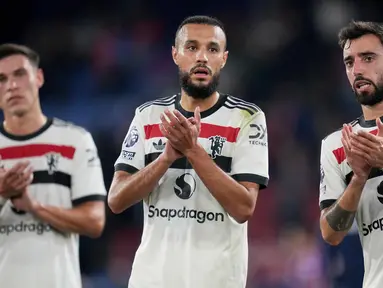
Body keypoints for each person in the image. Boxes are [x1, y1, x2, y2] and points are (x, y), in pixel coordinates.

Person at [108, 15, 269, 288]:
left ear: (224, 59)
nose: (202, 57)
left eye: (212, 49)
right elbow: (116, 200)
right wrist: (167, 158)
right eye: (192, 47)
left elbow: (244, 207)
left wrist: (193, 152)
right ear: (175, 54)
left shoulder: (247, 118)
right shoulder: (148, 116)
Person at [0, 43, 107, 288]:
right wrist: (2, 193)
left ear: (38, 77)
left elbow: (94, 221)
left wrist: (35, 207)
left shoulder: (75, 141)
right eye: (2, 79)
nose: (12, 85)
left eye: (19, 74)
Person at [319, 21, 383, 288]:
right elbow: (331, 234)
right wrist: (357, 179)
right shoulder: (337, 146)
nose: (357, 69)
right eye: (349, 62)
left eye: (368, 58)